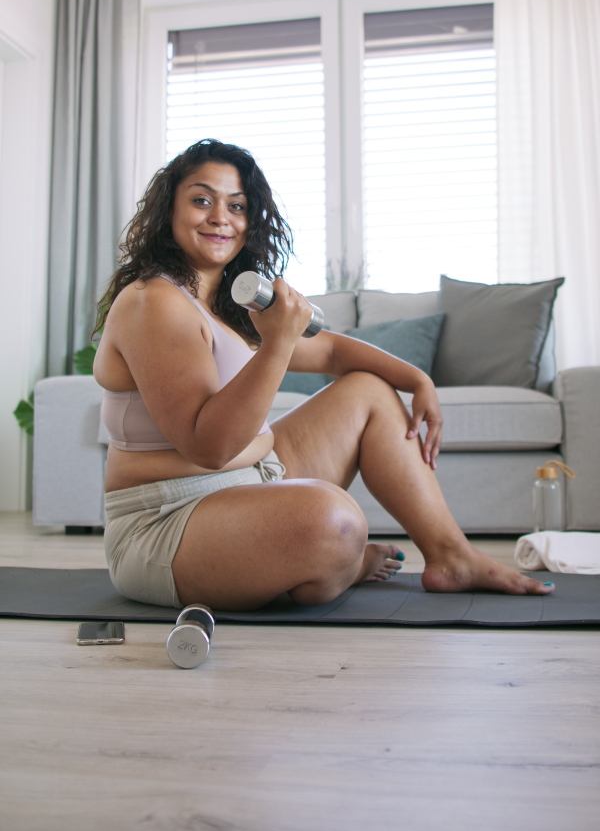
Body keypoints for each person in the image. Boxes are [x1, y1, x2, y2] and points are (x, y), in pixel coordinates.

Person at [94, 138, 554, 611]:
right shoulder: (155, 302)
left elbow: (332, 351)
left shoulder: (230, 304)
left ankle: (451, 558)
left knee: (371, 391)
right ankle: (341, 563)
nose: (220, 217)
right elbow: (208, 448)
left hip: (254, 479)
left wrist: (418, 380)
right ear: (169, 210)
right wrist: (277, 342)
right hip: (167, 521)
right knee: (335, 523)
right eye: (201, 200)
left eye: (237, 205)